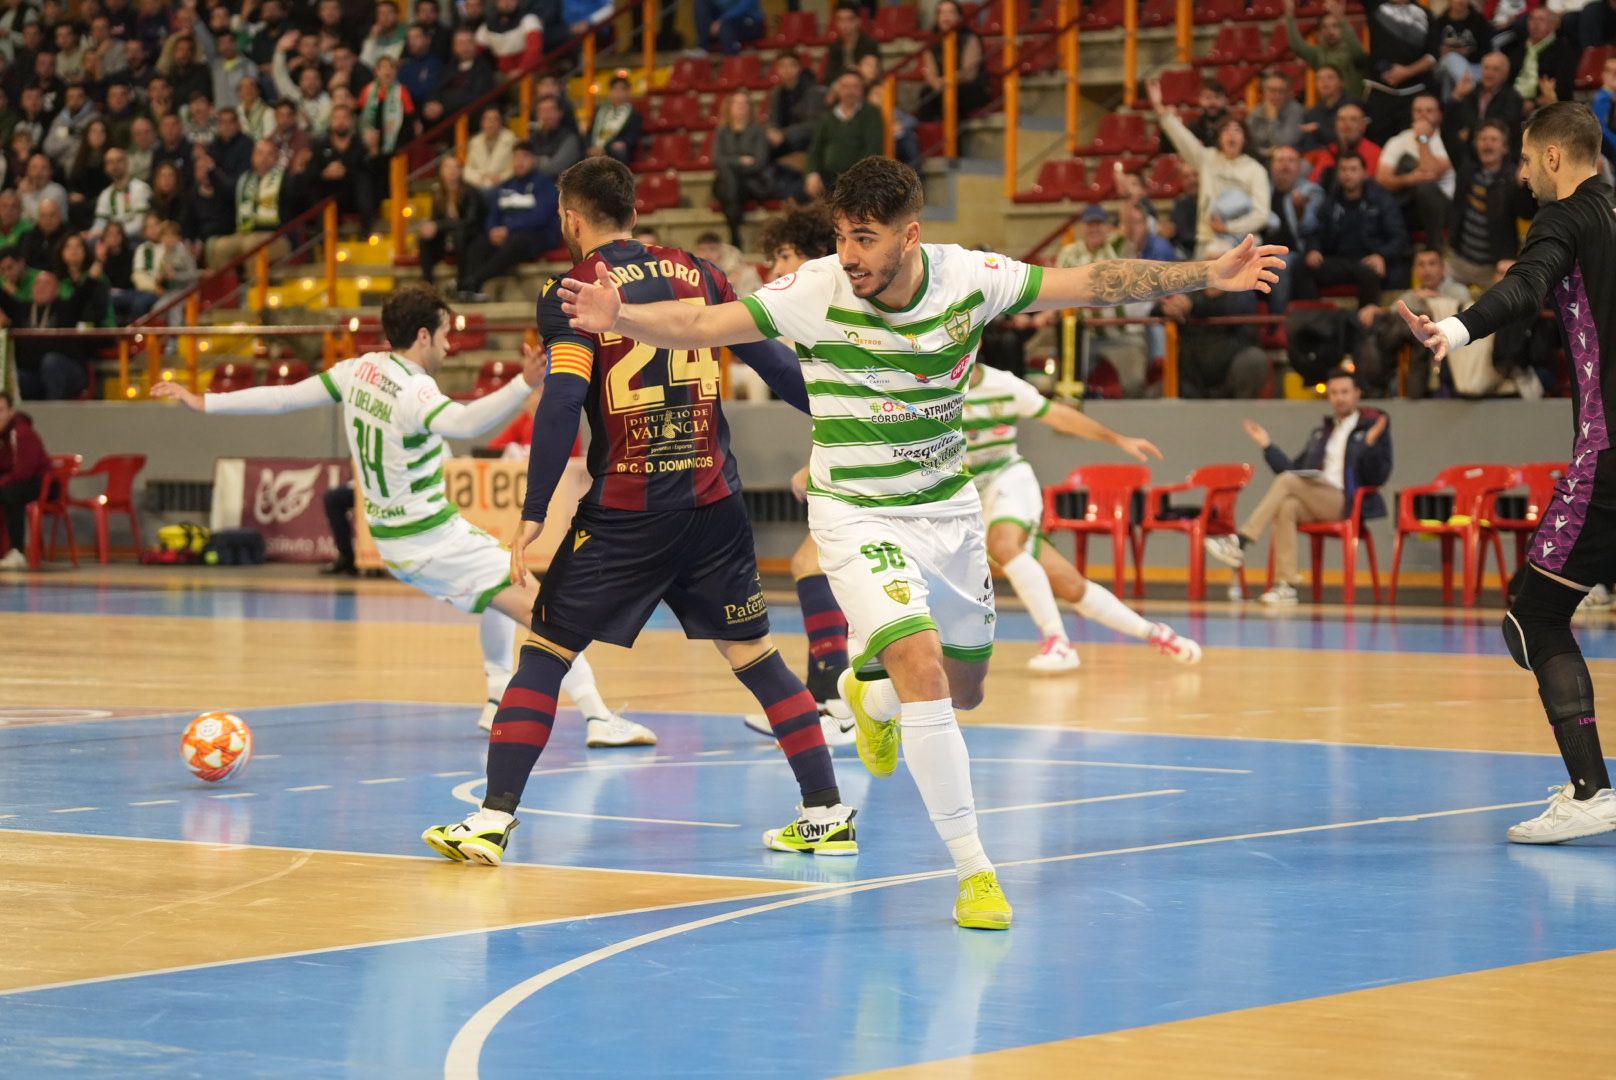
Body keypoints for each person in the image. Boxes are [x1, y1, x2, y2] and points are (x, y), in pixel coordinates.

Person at [555, 155, 1286, 929]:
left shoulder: (970, 277)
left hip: (948, 515)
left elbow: (1089, 283)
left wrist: (1208, 273)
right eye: (841, 236)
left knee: (965, 690)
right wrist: (623, 318)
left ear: (911, 236)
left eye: (865, 239)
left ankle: (866, 694)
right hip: (855, 511)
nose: (850, 255)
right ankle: (975, 870)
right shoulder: (814, 290)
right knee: (920, 664)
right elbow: (704, 324)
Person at [424, 157, 859, 868]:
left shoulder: (572, 291)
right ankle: (826, 812)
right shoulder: (698, 272)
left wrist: (535, 510)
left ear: (570, 217)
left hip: (627, 512)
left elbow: (564, 399)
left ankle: (491, 822)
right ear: (632, 208)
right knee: (756, 657)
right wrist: (843, 417)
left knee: (545, 652)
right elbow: (772, 360)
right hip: (713, 503)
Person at [152, 284, 655, 748]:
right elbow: (464, 420)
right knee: (549, 612)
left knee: (502, 584)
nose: (448, 346)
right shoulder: (415, 391)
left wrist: (205, 401)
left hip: (396, 539)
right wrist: (522, 386)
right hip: (430, 538)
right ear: (421, 335)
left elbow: (282, 398)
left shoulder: (356, 371)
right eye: (443, 335)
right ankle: (598, 718)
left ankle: (498, 693)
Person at [1399, 103, 1616, 841]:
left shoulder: (1566, 219)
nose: (1522, 178)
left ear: (1555, 158)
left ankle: (1592, 792)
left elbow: (1526, 285)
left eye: (1526, 162)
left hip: (1608, 450)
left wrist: (1452, 328)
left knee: (1535, 617)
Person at [962, 362, 1201, 672]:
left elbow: (1060, 416)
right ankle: (1156, 633)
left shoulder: (1004, 385)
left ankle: (1057, 641)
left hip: (1009, 479)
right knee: (1071, 585)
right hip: (969, 496)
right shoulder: (927, 389)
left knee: (1004, 545)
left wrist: (1117, 439)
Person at [738, 205, 856, 743]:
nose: (775, 268)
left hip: (894, 457)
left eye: (784, 255)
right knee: (820, 566)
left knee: (818, 565)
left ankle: (837, 703)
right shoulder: (821, 312)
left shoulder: (837, 307)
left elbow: (853, 394)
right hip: (871, 451)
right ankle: (834, 700)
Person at [1205, 368, 1391, 604]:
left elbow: (1379, 475)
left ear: (1357, 394)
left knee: (1287, 483)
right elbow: (1292, 470)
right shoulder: (1322, 434)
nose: (1339, 398)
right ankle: (1285, 586)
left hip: (1347, 501)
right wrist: (1267, 445)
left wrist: (1369, 445)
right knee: (1287, 507)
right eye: (1333, 393)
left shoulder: (1372, 428)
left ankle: (1240, 541)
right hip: (1317, 497)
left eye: (1345, 392)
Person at [1151, 78, 1270, 259]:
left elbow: (1262, 214)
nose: (1231, 135)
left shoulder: (1255, 170)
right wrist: (1160, 109)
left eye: (1237, 130)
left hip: (1243, 243)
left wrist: (1228, 227)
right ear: (1219, 138)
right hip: (1207, 240)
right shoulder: (1207, 159)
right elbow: (1183, 139)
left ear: (1245, 138)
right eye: (1226, 130)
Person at [1355, 246, 1471, 395]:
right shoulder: (1412, 296)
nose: (1427, 270)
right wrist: (1374, 309)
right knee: (1375, 326)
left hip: (1451, 351)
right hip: (1410, 348)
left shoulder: (1458, 291)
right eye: (1421, 265)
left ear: (1443, 268)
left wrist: (1438, 301)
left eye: (1432, 264)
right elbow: (1390, 314)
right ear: (1415, 271)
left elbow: (1466, 320)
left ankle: (1415, 393)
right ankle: (1373, 388)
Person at [455, 141, 559, 302]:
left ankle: (474, 282)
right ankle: (466, 288)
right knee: (478, 244)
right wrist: (493, 230)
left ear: (534, 160)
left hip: (536, 235)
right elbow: (493, 214)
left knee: (516, 243)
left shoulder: (544, 184)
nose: (519, 162)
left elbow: (541, 216)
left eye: (524, 157)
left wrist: (508, 229)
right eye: (516, 157)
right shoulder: (506, 185)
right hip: (507, 233)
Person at [1306, 151, 1409, 308]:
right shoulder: (1331, 201)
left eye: (1353, 169)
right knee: (1302, 267)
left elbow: (1399, 237)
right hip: (1338, 261)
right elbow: (1316, 232)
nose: (1348, 174)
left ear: (1364, 173)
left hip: (1368, 260)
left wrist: (1382, 255)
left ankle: (1365, 325)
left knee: (1370, 272)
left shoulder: (1381, 200)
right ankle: (1313, 322)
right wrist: (1313, 249)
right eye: (1343, 169)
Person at [1447, 119, 1535, 287]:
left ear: (1505, 148)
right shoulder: (1467, 171)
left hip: (1494, 268)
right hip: (1460, 262)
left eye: (1494, 140)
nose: (1487, 143)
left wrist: (1522, 187)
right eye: (1482, 139)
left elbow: (1526, 213)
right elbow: (1449, 137)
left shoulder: (1512, 179)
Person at [1376, 94, 1454, 252]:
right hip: (1408, 202)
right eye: (1418, 110)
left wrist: (1422, 139)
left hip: (1443, 206)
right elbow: (1382, 178)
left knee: (1424, 186)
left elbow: (1431, 173)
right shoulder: (1398, 140)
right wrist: (1409, 179)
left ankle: (1435, 245)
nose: (1423, 114)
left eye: (1429, 110)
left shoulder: (1448, 139)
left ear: (1439, 115)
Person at [1264, 144, 1326, 313]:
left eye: (1291, 161)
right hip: (1259, 250)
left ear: (1299, 167)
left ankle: (1277, 323)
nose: (1285, 165)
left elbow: (1312, 228)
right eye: (1280, 160)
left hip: (1295, 253)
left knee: (1279, 262)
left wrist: (1300, 212)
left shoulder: (1311, 192)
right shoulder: (1261, 191)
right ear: (1272, 166)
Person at [804, 71, 881, 200]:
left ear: (862, 90)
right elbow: (815, 149)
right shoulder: (827, 117)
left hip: (860, 179)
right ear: (838, 90)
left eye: (855, 87)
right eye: (845, 87)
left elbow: (873, 149)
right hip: (828, 178)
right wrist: (812, 174)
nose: (850, 91)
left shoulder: (871, 114)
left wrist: (856, 177)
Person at [712, 90, 770, 249]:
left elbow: (760, 161)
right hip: (728, 181)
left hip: (751, 181)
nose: (741, 107)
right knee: (728, 181)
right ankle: (735, 235)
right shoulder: (722, 132)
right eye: (736, 103)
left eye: (745, 103)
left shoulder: (758, 131)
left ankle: (734, 235)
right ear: (729, 107)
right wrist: (740, 160)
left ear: (750, 108)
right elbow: (717, 159)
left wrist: (731, 163)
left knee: (729, 185)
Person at [917, 0, 989, 125]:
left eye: (951, 12)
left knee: (951, 96)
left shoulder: (970, 38)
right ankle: (928, 139)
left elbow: (969, 73)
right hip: (943, 87)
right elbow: (930, 71)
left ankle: (953, 142)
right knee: (926, 94)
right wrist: (936, 83)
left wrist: (945, 82)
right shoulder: (932, 40)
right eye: (942, 13)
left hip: (968, 87)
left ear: (959, 17)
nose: (946, 17)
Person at [418, 155, 483, 286]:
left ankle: (462, 283)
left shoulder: (471, 192)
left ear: (461, 171)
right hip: (445, 238)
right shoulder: (437, 194)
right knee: (424, 237)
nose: (452, 171)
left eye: (456, 167)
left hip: (469, 237)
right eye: (448, 167)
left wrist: (438, 226)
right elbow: (435, 220)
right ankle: (427, 283)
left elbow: (469, 221)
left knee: (460, 233)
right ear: (441, 171)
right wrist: (430, 227)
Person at [1285, 0, 1370, 99]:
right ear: (1320, 32)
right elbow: (1297, 46)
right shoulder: (1318, 54)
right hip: (1329, 108)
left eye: (1335, 26)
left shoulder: (1352, 50)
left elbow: (1358, 55)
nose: (1330, 31)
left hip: (1354, 109)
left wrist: (1341, 19)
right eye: (1325, 27)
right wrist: (1289, 14)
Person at [0, 390, 45, 569]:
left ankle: (17, 552)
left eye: (1, 410)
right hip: (15, 482)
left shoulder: (21, 433)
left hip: (41, 483)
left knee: (10, 494)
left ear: (11, 412)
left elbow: (22, 473)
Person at [1449, 51, 1523, 152]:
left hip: (1498, 150)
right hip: (1467, 148)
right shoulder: (1471, 92)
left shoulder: (1512, 97)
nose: (1489, 73)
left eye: (1495, 69)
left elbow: (1502, 125)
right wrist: (1456, 97)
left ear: (1505, 74)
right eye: (1486, 68)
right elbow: (1454, 120)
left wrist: (1471, 131)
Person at [1304, 101, 1382, 189]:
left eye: (1353, 119)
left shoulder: (1375, 153)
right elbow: (1313, 184)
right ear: (1335, 125)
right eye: (1341, 119)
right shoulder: (1328, 151)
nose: (1346, 124)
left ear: (1363, 126)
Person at [765, 52, 823, 159]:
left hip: (804, 139)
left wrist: (784, 134)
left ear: (799, 68)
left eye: (791, 65)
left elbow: (813, 125)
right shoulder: (776, 93)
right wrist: (772, 130)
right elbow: (773, 119)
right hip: (781, 138)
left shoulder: (812, 91)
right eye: (782, 66)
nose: (787, 70)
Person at [1247, 70, 1304, 165]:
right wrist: (1264, 152)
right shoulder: (1257, 112)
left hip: (1288, 162)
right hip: (1261, 159)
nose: (1276, 95)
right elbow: (1248, 142)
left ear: (1289, 93)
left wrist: (1272, 119)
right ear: (1264, 92)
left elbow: (1284, 144)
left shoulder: (1295, 111)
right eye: (1271, 90)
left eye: (1281, 91)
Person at [1300, 65, 1358, 152]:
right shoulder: (1312, 113)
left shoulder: (1353, 106)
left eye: (1330, 77)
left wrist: (1319, 130)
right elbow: (1308, 146)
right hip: (1321, 158)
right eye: (1319, 78)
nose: (1324, 82)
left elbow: (1350, 136)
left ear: (1341, 82)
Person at [586, 76, 641, 166]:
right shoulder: (599, 111)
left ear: (628, 93)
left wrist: (605, 147)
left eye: (622, 90)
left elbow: (632, 136)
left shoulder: (634, 115)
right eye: (615, 89)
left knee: (619, 149)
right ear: (610, 92)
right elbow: (590, 132)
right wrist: (590, 147)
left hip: (613, 148)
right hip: (596, 147)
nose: (618, 93)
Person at [529, 95, 581, 181]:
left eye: (551, 110)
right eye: (542, 111)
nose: (546, 115)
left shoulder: (570, 137)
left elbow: (555, 167)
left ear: (560, 113)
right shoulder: (534, 137)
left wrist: (535, 161)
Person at [464, 105, 516, 190]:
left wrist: (501, 177)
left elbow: (516, 167)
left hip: (504, 185)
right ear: (482, 123)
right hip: (479, 186)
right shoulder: (474, 141)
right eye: (487, 119)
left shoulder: (511, 139)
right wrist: (481, 177)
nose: (491, 123)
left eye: (494, 120)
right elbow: (468, 169)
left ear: (500, 122)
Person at [824, 1, 879, 82]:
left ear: (858, 21)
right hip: (840, 88)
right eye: (841, 20)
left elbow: (871, 74)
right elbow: (830, 76)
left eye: (849, 20)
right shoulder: (834, 47)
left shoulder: (869, 44)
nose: (845, 25)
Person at [692, 0, 764, 55]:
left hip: (750, 21)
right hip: (724, 23)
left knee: (726, 27)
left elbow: (746, 6)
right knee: (701, 2)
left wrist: (722, 20)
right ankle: (703, 48)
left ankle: (733, 62)